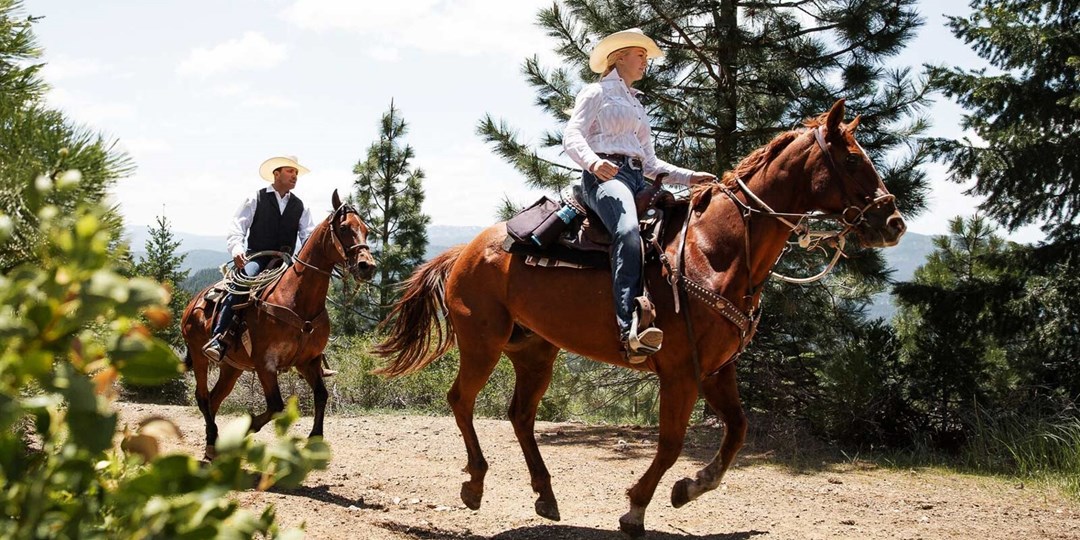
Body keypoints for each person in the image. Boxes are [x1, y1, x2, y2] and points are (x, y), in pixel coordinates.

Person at [563, 28, 716, 363]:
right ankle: (628, 325)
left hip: (637, 177)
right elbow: (572, 133)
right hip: (605, 177)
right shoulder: (596, 92)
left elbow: (650, 163)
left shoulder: (636, 103)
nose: (646, 62)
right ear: (619, 57)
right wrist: (593, 162)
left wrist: (691, 177)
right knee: (628, 231)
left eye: (646, 57)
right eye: (640, 55)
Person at [203, 155, 335, 375]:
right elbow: (238, 228)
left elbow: (308, 236)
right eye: (290, 172)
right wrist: (237, 250)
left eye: (296, 173)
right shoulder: (255, 198)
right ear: (276, 174)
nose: (294, 177)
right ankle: (219, 338)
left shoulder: (299, 205)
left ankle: (313, 354)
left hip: (285, 261)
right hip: (258, 257)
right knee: (241, 285)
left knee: (310, 297)